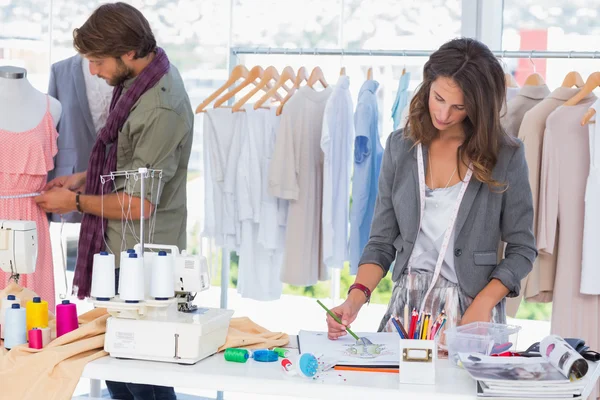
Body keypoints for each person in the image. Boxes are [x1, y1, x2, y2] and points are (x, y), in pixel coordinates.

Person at [326, 38, 537, 341]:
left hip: (472, 313)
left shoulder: (505, 155)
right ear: (427, 86)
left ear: (478, 107)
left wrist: (484, 303)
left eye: (459, 106)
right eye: (438, 98)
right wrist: (355, 298)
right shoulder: (401, 147)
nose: (444, 114)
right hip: (406, 309)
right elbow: (381, 241)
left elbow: (522, 249)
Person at [35, 3, 193, 399]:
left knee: (143, 379)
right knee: (118, 372)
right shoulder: (138, 80)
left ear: (127, 53)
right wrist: (85, 176)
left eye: (97, 61)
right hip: (121, 249)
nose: (92, 71)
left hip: (143, 258)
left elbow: (140, 204)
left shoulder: (159, 106)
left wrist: (75, 200)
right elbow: (128, 160)